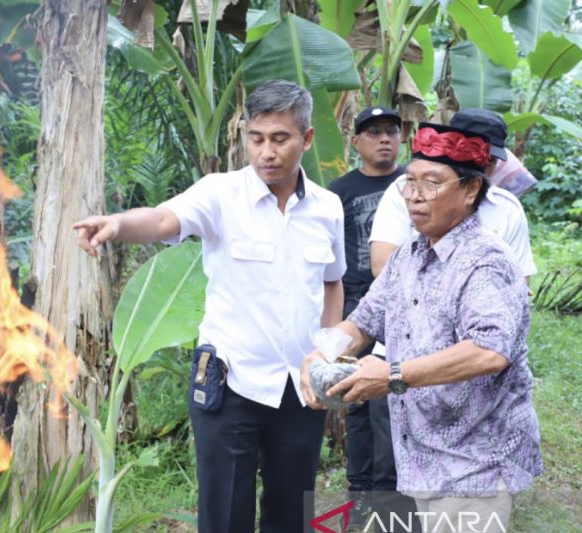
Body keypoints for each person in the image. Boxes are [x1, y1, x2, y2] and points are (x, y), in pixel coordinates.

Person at [75, 80, 346, 533]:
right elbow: (163, 219)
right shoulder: (220, 193)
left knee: (291, 514)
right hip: (230, 384)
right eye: (256, 138)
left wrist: (327, 355)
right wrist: (118, 223)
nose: (267, 152)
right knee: (224, 517)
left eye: (280, 139)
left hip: (300, 388)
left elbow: (332, 282)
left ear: (307, 138)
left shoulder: (328, 208)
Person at [301, 123, 543, 533]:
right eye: (409, 182)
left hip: (475, 462)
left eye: (432, 184)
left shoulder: (486, 262)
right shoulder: (408, 256)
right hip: (423, 454)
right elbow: (363, 322)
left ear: (470, 191)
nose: (414, 194)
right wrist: (322, 351)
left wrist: (393, 375)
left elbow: (489, 351)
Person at [327, 106, 406, 525]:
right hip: (357, 302)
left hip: (406, 302)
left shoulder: (416, 183)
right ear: (355, 141)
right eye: (373, 132)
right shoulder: (339, 191)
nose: (384, 139)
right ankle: (360, 491)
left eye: (391, 131)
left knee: (399, 394)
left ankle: (393, 490)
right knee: (357, 399)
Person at [369, 110, 536, 282]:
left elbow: (519, 280)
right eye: (470, 154)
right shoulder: (405, 191)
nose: (480, 164)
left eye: (489, 160)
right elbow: (383, 268)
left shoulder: (507, 207)